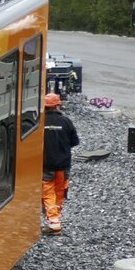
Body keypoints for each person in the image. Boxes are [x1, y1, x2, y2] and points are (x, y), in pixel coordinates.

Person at [42, 92, 79, 233]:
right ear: (58, 105)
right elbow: (75, 142)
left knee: (48, 192)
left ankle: (53, 221)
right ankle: (56, 219)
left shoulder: (40, 123)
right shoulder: (66, 121)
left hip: (46, 165)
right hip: (63, 165)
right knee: (59, 192)